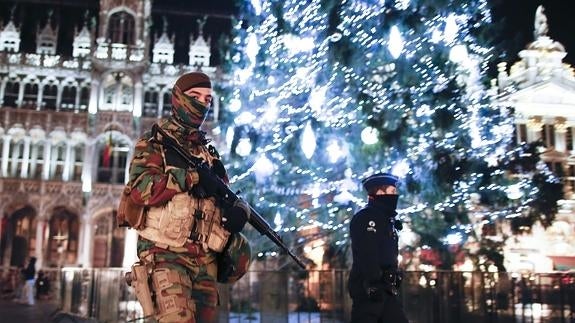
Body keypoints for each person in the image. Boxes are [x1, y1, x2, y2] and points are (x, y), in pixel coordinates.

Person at [124, 71, 251, 323]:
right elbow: (140, 189)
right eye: (195, 96)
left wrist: (235, 213)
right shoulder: (154, 142)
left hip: (205, 260)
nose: (202, 104)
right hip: (165, 255)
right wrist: (190, 177)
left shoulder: (209, 153)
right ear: (178, 98)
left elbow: (220, 196)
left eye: (207, 99)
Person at [347, 173, 408, 323]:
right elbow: (367, 253)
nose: (396, 196)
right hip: (369, 291)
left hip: (386, 289)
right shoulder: (366, 217)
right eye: (392, 192)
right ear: (380, 193)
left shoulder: (386, 219)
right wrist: (373, 283)